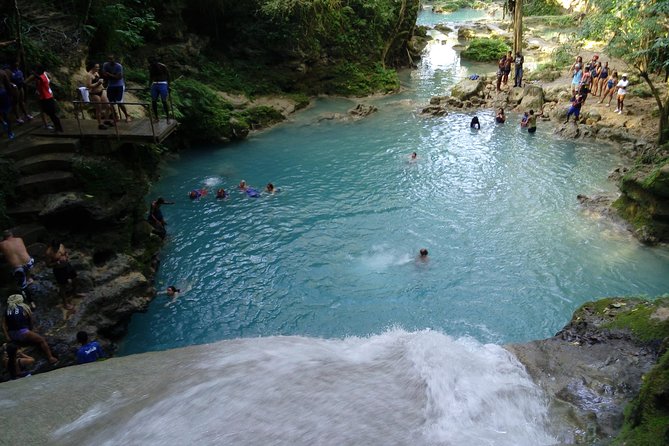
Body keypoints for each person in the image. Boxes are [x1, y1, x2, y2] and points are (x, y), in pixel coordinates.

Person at [2, 294, 58, 364]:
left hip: (12, 334)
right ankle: (50, 358)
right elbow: (31, 321)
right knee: (42, 340)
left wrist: (7, 336)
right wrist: (31, 330)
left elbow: (4, 325)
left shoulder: (7, 309)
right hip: (23, 332)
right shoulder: (24, 307)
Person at [24, 65, 63, 132]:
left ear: (40, 71)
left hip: (48, 98)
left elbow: (39, 78)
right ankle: (57, 128)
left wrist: (33, 73)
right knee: (50, 114)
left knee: (52, 115)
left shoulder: (43, 77)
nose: (36, 71)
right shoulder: (41, 76)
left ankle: (58, 128)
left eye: (37, 70)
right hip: (45, 98)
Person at [0, 230, 35, 297]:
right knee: (26, 264)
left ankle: (30, 302)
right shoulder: (19, 239)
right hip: (30, 262)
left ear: (3, 238)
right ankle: (29, 278)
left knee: (22, 285)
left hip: (18, 268)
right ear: (12, 235)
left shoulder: (2, 244)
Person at [45, 240, 77, 311]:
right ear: (52, 247)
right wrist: (57, 262)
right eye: (55, 248)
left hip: (67, 265)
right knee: (63, 286)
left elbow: (65, 252)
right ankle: (65, 303)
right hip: (59, 270)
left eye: (57, 247)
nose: (57, 249)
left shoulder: (61, 246)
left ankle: (75, 293)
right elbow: (48, 265)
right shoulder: (49, 252)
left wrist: (66, 255)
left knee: (74, 278)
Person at [102, 55, 130, 122]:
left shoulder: (118, 66)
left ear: (114, 59)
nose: (110, 61)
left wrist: (109, 74)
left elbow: (119, 77)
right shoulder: (105, 65)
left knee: (119, 102)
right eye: (109, 59)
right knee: (111, 102)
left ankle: (127, 115)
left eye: (111, 59)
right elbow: (104, 74)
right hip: (111, 85)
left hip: (119, 85)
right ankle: (116, 116)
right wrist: (111, 75)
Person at [85, 62, 112, 130]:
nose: (98, 68)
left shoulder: (96, 73)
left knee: (108, 106)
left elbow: (99, 82)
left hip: (101, 91)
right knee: (99, 109)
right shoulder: (89, 75)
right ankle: (100, 124)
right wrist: (98, 83)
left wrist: (102, 86)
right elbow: (89, 86)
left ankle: (106, 120)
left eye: (98, 67)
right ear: (92, 67)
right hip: (94, 93)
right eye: (96, 67)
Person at [148, 57, 170, 123]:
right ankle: (156, 118)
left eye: (152, 63)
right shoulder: (151, 67)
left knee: (164, 101)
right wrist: (149, 85)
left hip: (163, 84)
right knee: (153, 101)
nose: (151, 64)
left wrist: (168, 86)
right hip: (154, 84)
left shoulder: (163, 66)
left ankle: (168, 118)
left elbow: (168, 76)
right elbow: (151, 77)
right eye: (151, 63)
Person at [0, 68, 14, 140]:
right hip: (2, 92)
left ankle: (2, 121)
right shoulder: (2, 72)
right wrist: (11, 95)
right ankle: (10, 133)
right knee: (7, 112)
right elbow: (8, 85)